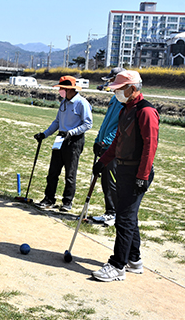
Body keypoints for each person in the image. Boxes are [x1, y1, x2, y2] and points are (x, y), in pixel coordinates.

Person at [91, 70, 159, 282]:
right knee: (128, 216)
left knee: (124, 219)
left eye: (120, 89)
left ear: (133, 88)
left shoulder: (145, 111)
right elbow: (117, 141)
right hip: (123, 169)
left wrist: (143, 175)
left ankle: (117, 265)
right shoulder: (125, 110)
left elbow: (150, 146)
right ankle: (134, 260)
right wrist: (102, 162)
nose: (117, 93)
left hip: (137, 172)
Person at [33, 76, 93, 212]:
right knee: (53, 171)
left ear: (69, 89)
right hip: (60, 139)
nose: (60, 91)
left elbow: (88, 124)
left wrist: (71, 133)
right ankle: (49, 199)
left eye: (62, 88)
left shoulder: (82, 103)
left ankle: (67, 202)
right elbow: (57, 122)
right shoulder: (63, 103)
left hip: (74, 141)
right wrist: (45, 134)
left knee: (70, 174)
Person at [91, 67, 126, 226]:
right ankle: (109, 211)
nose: (110, 84)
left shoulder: (123, 101)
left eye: (112, 81)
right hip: (104, 145)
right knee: (105, 180)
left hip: (113, 148)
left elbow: (119, 127)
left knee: (111, 181)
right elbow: (106, 123)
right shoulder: (114, 99)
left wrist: (106, 141)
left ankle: (114, 213)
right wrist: (98, 139)